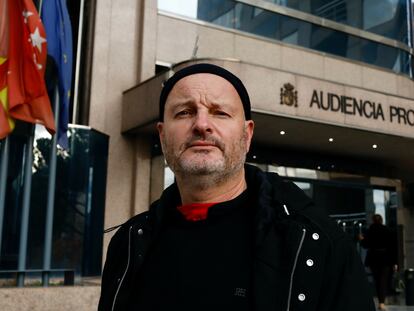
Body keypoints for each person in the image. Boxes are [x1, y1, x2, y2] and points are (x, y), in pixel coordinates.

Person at [98, 63, 375, 311]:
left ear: (247, 135)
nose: (202, 125)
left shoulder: (317, 242)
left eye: (220, 113)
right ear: (162, 134)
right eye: (184, 112)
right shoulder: (130, 242)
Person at [360, 214, 398, 310]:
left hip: (374, 258)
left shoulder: (369, 231)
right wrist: (395, 262)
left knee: (377, 280)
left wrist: (361, 239)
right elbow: (393, 247)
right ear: (381, 220)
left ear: (373, 221)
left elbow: (365, 245)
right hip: (385, 258)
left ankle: (380, 301)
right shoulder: (387, 231)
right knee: (383, 280)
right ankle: (382, 301)